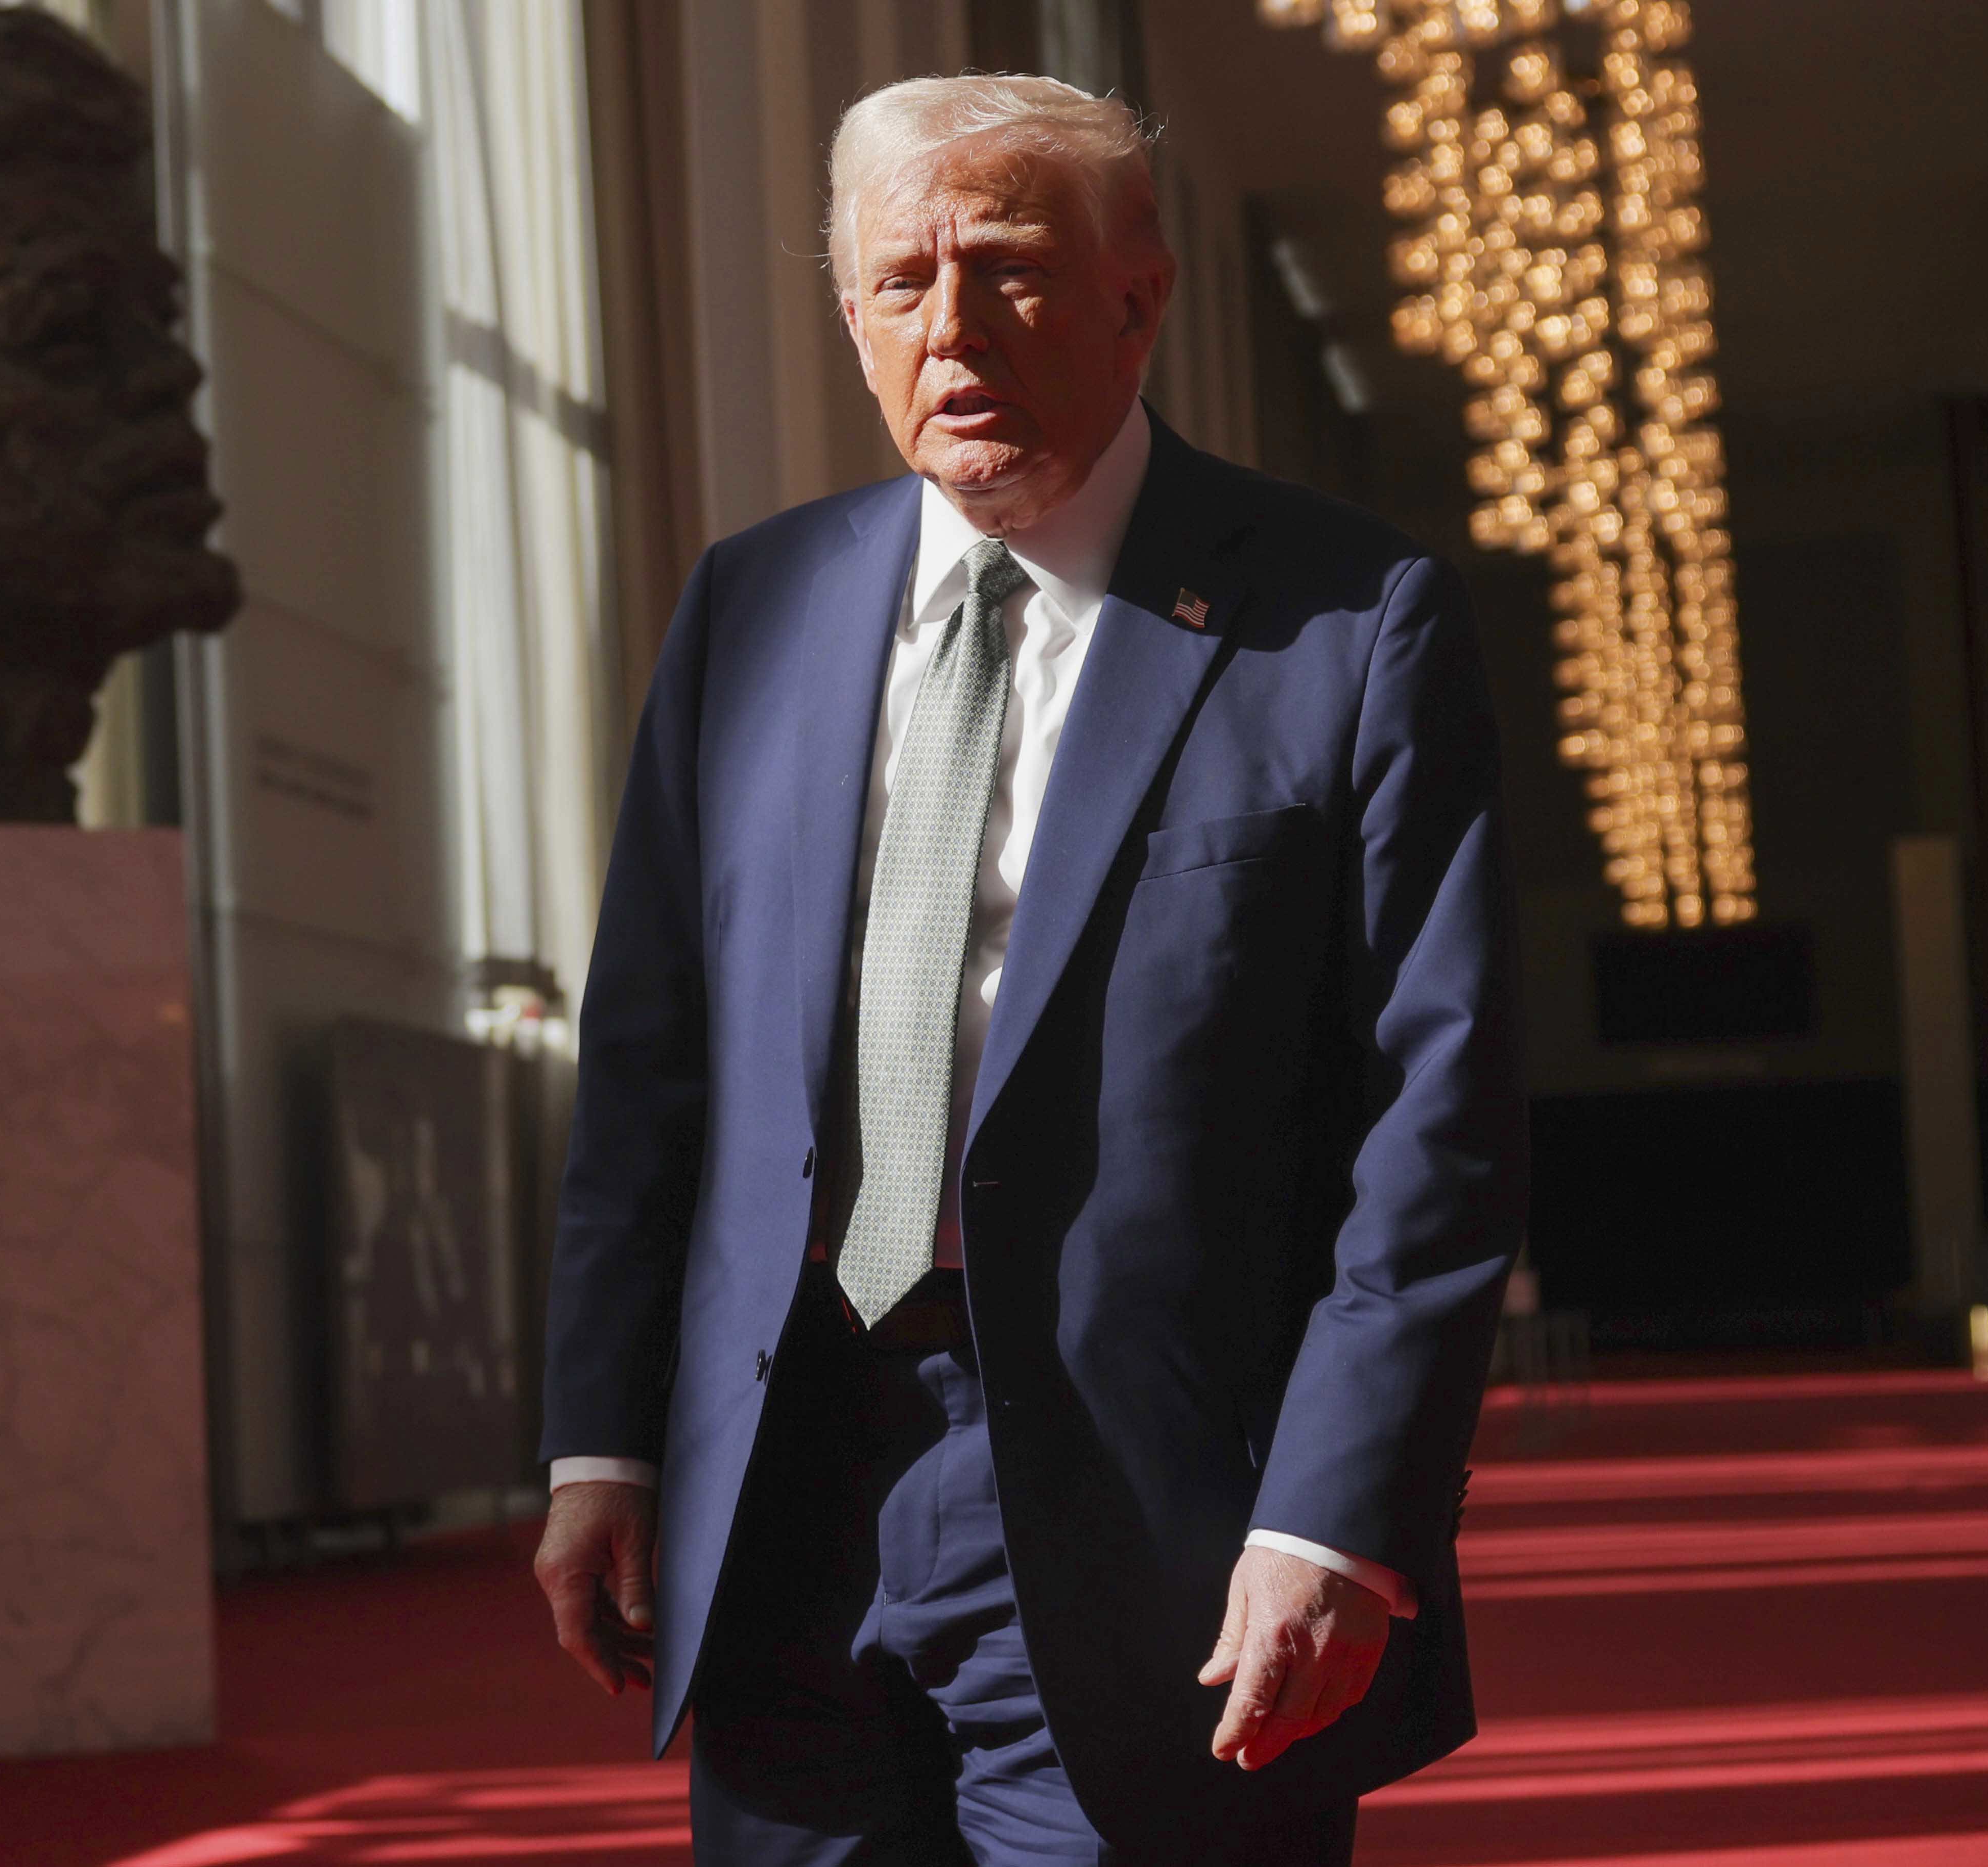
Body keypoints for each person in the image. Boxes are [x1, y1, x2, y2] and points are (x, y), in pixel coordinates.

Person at [531, 72, 1524, 1866]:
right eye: (900, 283)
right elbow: (652, 1064)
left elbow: (1430, 1113)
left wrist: (1333, 1513)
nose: (952, 327)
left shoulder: (1346, 620)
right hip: (783, 1486)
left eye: (1007, 271)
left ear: (1138, 295)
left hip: (1157, 1510)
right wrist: (599, 1441)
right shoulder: (748, 610)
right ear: (847, 316)